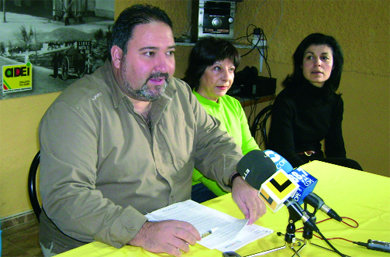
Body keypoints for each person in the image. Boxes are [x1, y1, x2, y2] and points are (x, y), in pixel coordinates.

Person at [38, 4, 266, 257]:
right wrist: (143, 231)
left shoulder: (179, 93)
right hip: (92, 242)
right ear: (117, 56)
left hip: (172, 232)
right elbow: (66, 197)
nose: (164, 66)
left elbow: (212, 141)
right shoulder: (76, 110)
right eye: (149, 53)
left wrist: (237, 175)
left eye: (169, 53)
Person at [267, 33, 362, 170]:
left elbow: (335, 147)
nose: (317, 63)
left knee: (352, 166)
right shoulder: (286, 100)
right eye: (310, 57)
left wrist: (343, 173)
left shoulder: (335, 102)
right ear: (301, 64)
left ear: (334, 64)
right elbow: (282, 152)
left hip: (317, 163)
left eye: (324, 58)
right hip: (288, 166)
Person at [183, 37, 260, 203]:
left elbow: (249, 146)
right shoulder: (187, 107)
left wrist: (261, 175)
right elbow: (199, 169)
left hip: (236, 178)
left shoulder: (233, 104)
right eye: (217, 68)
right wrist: (236, 188)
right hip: (201, 189)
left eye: (231, 70)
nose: (226, 77)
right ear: (199, 70)